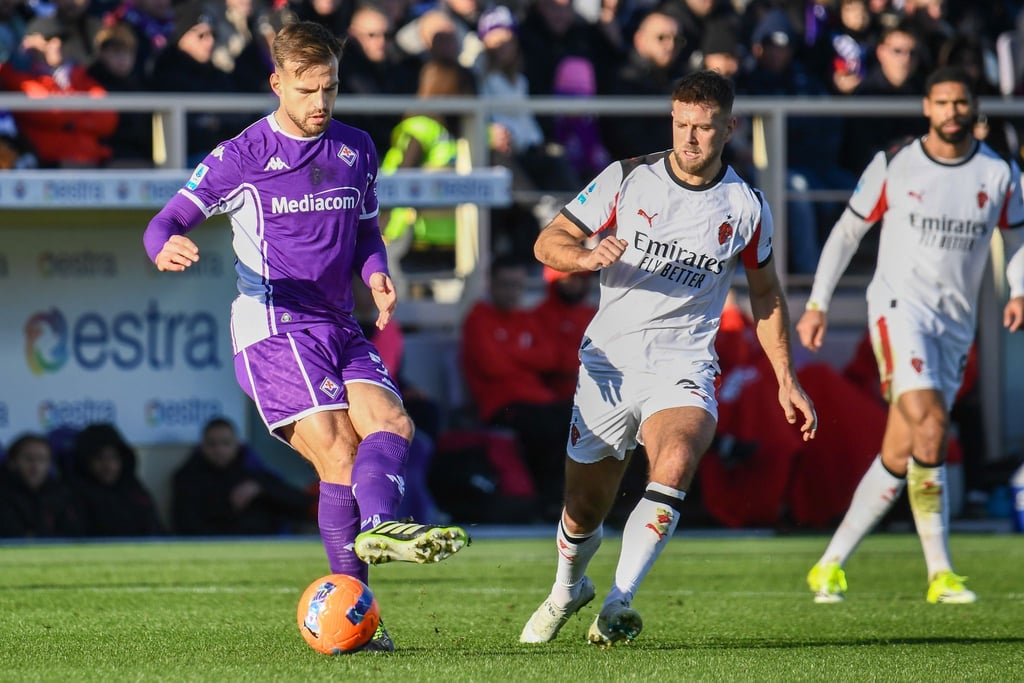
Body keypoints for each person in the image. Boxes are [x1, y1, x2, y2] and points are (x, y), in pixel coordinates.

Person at [141, 20, 469, 652]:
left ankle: (375, 538)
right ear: (277, 84)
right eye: (307, 90)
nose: (320, 104)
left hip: (339, 322)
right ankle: (368, 574)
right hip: (273, 326)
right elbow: (165, 222)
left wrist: (375, 275)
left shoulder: (357, 148)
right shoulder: (240, 156)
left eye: (331, 89)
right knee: (339, 454)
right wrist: (167, 244)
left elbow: (368, 231)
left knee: (394, 426)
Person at [520, 69, 817, 646]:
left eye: (703, 129)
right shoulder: (628, 178)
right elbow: (547, 240)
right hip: (609, 364)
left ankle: (618, 601)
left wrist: (786, 377)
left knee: (677, 457)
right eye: (681, 125)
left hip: (683, 364)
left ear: (729, 128)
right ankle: (566, 590)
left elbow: (765, 293)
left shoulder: (746, 207)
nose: (689, 140)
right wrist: (583, 257)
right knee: (584, 507)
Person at [797, 66, 1024, 605]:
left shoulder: (999, 173)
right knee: (932, 423)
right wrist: (817, 303)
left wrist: (1017, 290)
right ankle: (940, 572)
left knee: (903, 449)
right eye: (941, 102)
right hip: (899, 308)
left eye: (960, 102)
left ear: (973, 109)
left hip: (954, 323)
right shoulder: (896, 163)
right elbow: (848, 231)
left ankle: (828, 565)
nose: (951, 112)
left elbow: (1016, 239)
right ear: (927, 107)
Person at [173, 417, 314, 536]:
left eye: (225, 443)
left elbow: (301, 503)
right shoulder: (188, 478)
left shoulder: (252, 470)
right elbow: (187, 523)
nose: (219, 450)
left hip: (263, 544)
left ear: (236, 445)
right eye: (212, 444)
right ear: (202, 446)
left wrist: (261, 488)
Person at [69, 423, 164, 537]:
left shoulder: (135, 491)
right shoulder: (73, 496)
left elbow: (157, 533)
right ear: (85, 461)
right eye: (99, 458)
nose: (108, 466)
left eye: (113, 457)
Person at [0, 433, 82, 538]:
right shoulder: (3, 494)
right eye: (28, 459)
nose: (35, 466)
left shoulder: (62, 493)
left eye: (42, 459)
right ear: (12, 462)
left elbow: (74, 533)